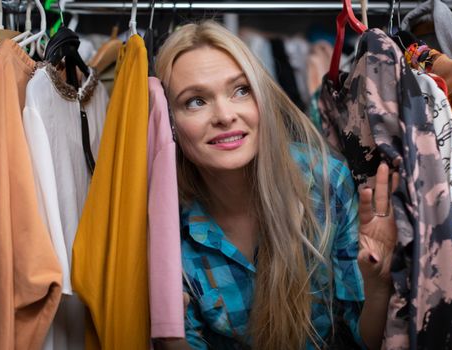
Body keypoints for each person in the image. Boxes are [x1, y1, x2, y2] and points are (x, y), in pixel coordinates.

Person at [154, 20, 398, 350]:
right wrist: (170, 336)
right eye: (195, 101)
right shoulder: (167, 224)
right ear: (168, 122)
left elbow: (364, 339)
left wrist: (379, 287)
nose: (225, 115)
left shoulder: (324, 182)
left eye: (241, 90)